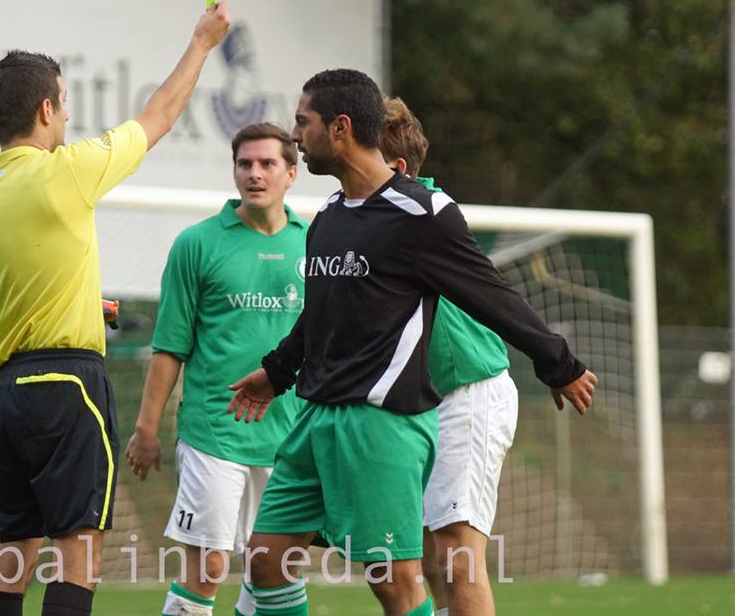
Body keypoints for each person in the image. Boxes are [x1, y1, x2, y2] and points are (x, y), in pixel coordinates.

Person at [226, 69, 597, 616]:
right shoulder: (328, 215)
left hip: (380, 422)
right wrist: (277, 373)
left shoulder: (422, 213)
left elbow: (490, 293)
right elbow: (318, 317)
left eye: (302, 123)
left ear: (341, 128)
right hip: (316, 417)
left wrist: (557, 361)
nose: (295, 136)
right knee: (265, 560)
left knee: (398, 582)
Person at [0, 3, 230, 616]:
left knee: (10, 558)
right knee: (79, 553)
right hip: (69, 383)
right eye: (64, 102)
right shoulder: (65, 172)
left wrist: (65, 302)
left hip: (4, 393)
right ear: (46, 111)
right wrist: (202, 43)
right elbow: (160, 115)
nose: (67, 114)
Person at [125, 123, 308, 616]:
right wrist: (146, 430)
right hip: (214, 432)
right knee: (208, 567)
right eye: (245, 163)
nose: (255, 173)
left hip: (290, 438)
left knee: (274, 572)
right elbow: (169, 347)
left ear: (291, 173)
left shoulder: (316, 246)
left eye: (268, 163)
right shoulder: (197, 244)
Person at [380, 95, 516, 616]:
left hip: (470, 392)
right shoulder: (362, 217)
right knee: (426, 563)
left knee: (458, 558)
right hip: (417, 406)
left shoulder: (421, 214)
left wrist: (557, 360)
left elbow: (501, 301)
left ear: (393, 167)